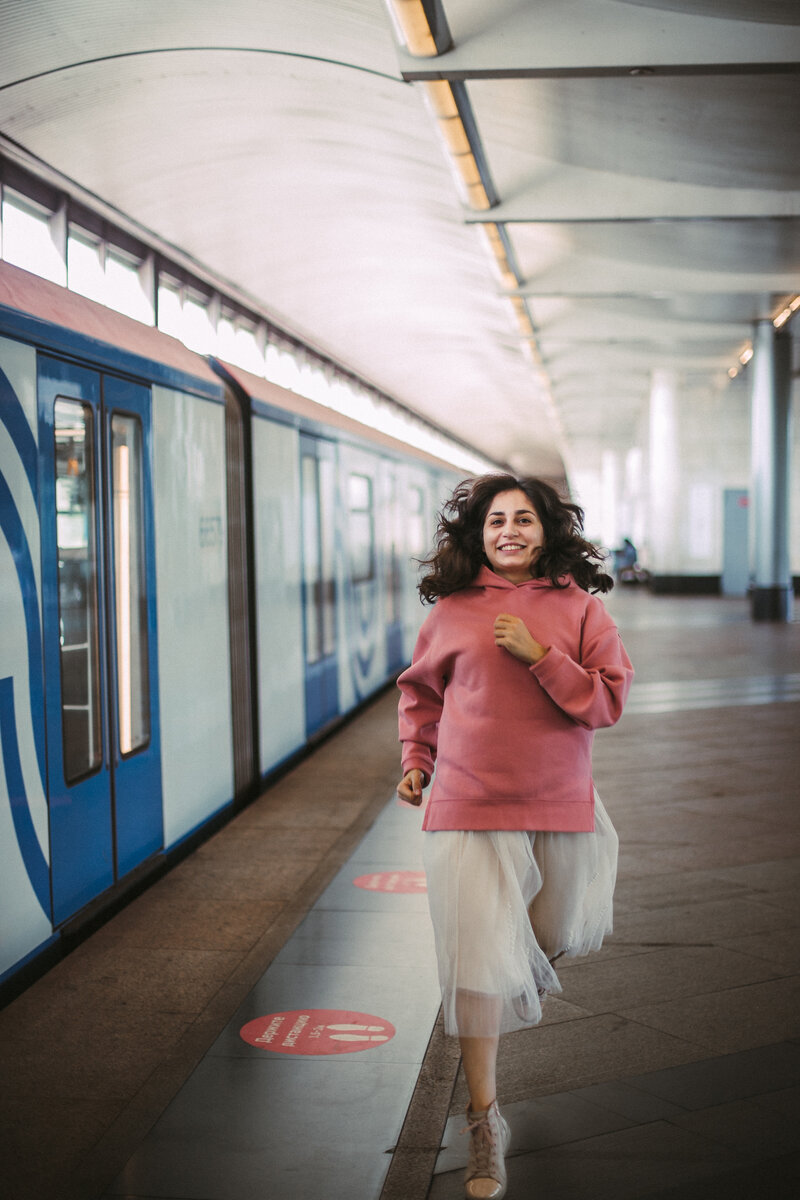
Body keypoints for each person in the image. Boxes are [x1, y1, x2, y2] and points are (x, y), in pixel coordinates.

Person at [396, 474, 633, 1200]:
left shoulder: (582, 610)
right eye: (496, 520)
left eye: (523, 519)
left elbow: (608, 702)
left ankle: (512, 968)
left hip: (559, 802)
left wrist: (540, 655)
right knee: (476, 967)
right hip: (466, 804)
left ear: (547, 530)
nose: (509, 531)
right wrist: (416, 760)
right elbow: (421, 695)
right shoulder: (451, 614)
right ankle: (483, 1123)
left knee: (550, 931)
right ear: (477, 534)